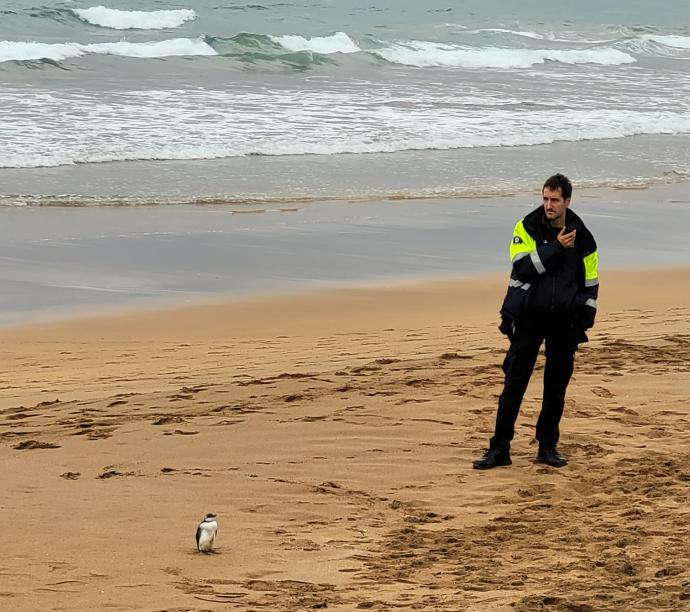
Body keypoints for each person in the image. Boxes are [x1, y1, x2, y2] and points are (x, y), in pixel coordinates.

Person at [473, 173, 599, 469]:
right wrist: (556, 247)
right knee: (514, 385)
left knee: (555, 388)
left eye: (554, 200)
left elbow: (591, 283)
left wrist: (586, 317)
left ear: (567, 201)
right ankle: (499, 449)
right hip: (529, 318)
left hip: (565, 322)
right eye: (545, 198)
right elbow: (522, 268)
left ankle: (547, 447)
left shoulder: (585, 238)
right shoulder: (526, 226)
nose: (548, 205)